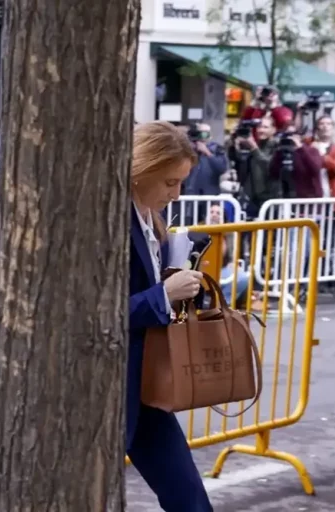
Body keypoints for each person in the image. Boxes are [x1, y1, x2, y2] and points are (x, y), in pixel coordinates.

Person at [128, 120, 213, 512]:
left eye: (180, 183)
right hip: (117, 382)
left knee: (189, 496)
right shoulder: (113, 221)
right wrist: (163, 295)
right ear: (141, 169)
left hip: (147, 382)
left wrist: (184, 288)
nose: (177, 194)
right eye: (170, 182)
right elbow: (92, 315)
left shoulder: (151, 220)